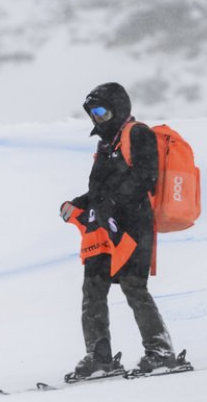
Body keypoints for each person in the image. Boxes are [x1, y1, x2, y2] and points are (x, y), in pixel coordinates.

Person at [60, 82, 179, 378]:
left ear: (118, 108)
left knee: (133, 287)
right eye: (93, 113)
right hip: (103, 228)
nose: (97, 118)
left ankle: (160, 352)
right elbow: (98, 188)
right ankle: (99, 357)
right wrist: (77, 204)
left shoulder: (137, 134)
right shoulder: (105, 144)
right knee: (93, 288)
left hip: (134, 223)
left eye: (101, 111)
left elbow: (145, 177)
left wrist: (112, 201)